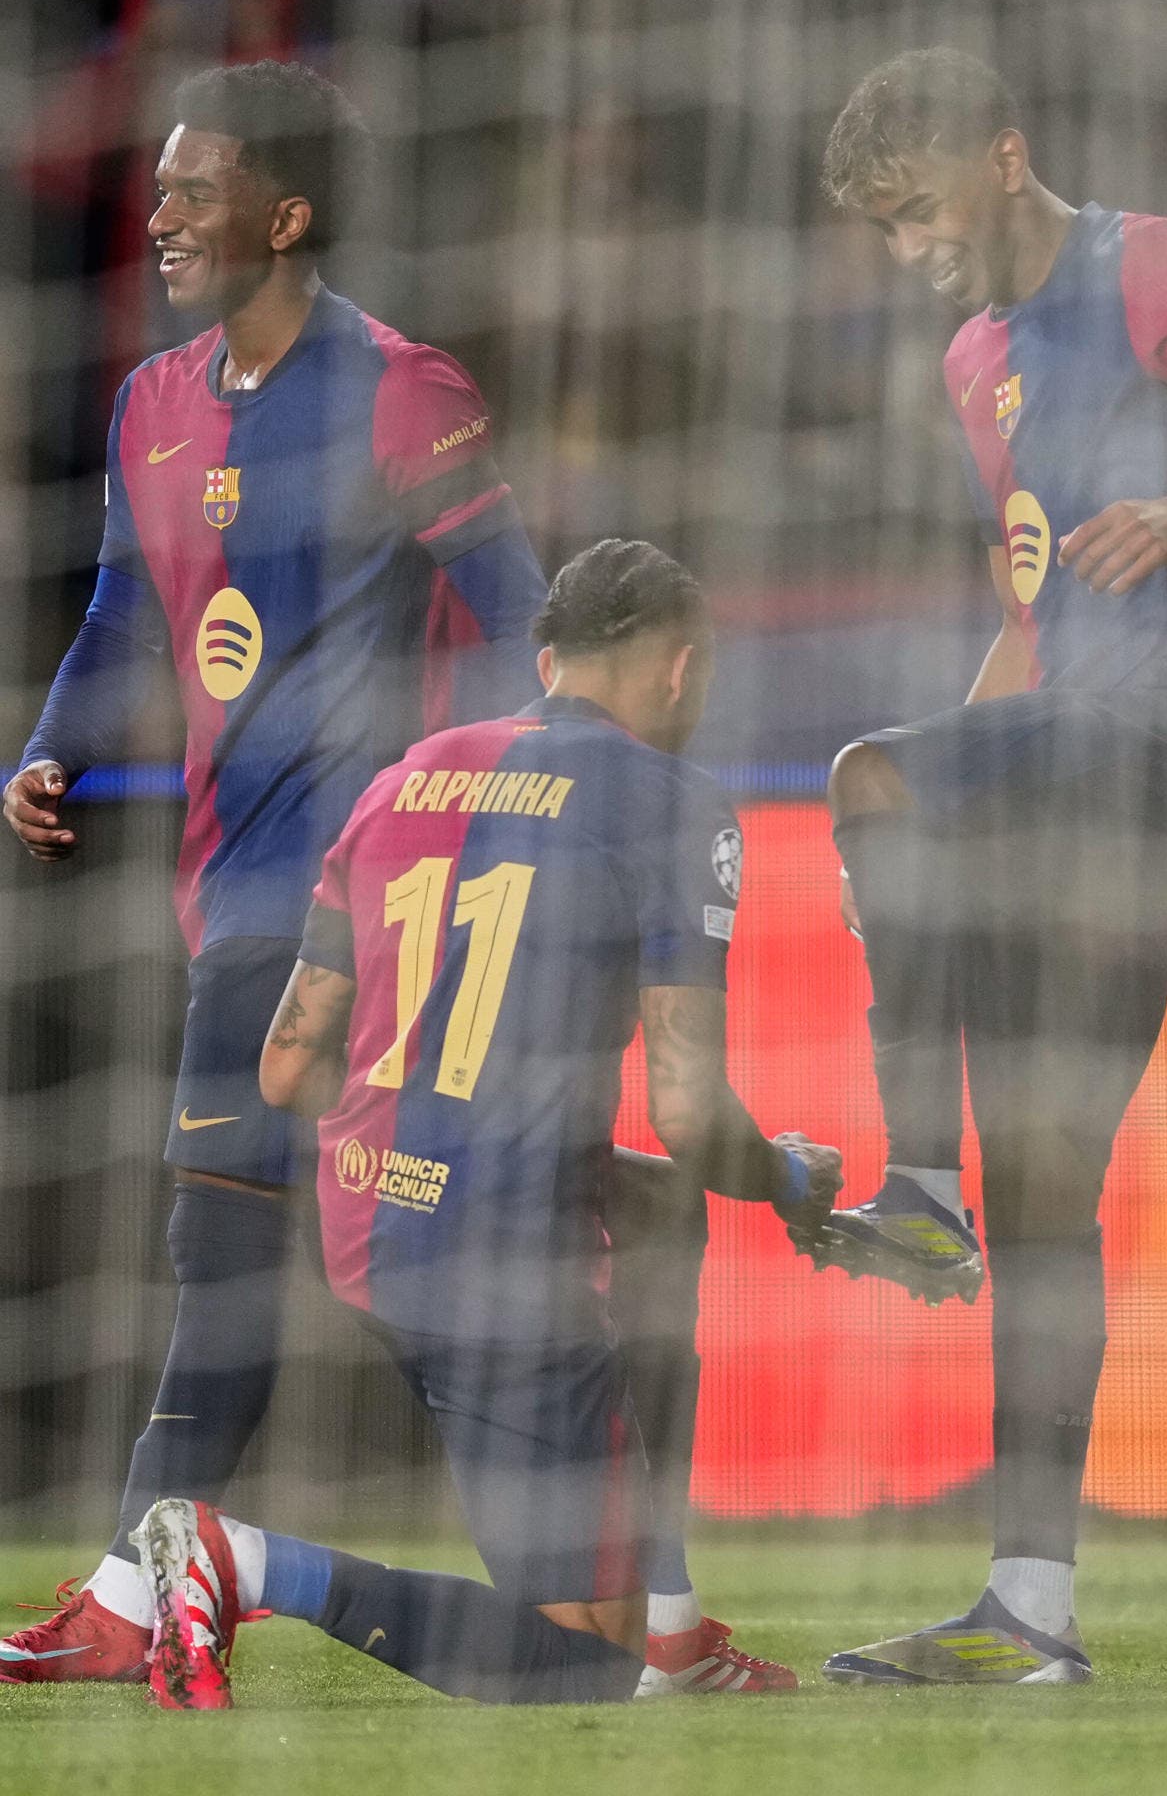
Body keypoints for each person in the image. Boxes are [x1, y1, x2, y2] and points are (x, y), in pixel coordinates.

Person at [807, 47, 1167, 1684]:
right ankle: (1030, 1617)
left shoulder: (1153, 263)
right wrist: (930, 806)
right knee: (1047, 1176)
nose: (910, 254)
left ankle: (915, 1189)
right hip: (1072, 756)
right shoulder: (972, 360)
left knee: (867, 771)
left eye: (916, 215)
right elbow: (1029, 620)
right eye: (883, 232)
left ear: (1002, 154)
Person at [1, 58, 547, 1680]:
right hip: (229, 890)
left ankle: (134, 1595)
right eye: (158, 186)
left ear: (286, 214)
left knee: (246, 1260)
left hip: (356, 907)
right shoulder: (150, 403)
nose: (159, 213)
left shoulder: (399, 389)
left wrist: (475, 831)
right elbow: (118, 609)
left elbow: (521, 623)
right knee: (313, 1267)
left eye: (194, 186)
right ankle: (611, 1608)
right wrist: (50, 745)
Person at [130, 538, 841, 1710]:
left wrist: (482, 1131)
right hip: (507, 1264)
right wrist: (787, 1179)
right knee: (577, 1669)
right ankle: (242, 1560)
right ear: (680, 668)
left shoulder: (403, 777)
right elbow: (688, 1106)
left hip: (373, 1228)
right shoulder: (674, 804)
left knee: (656, 1213)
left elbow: (287, 1066)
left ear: (550, 662)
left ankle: (671, 1629)